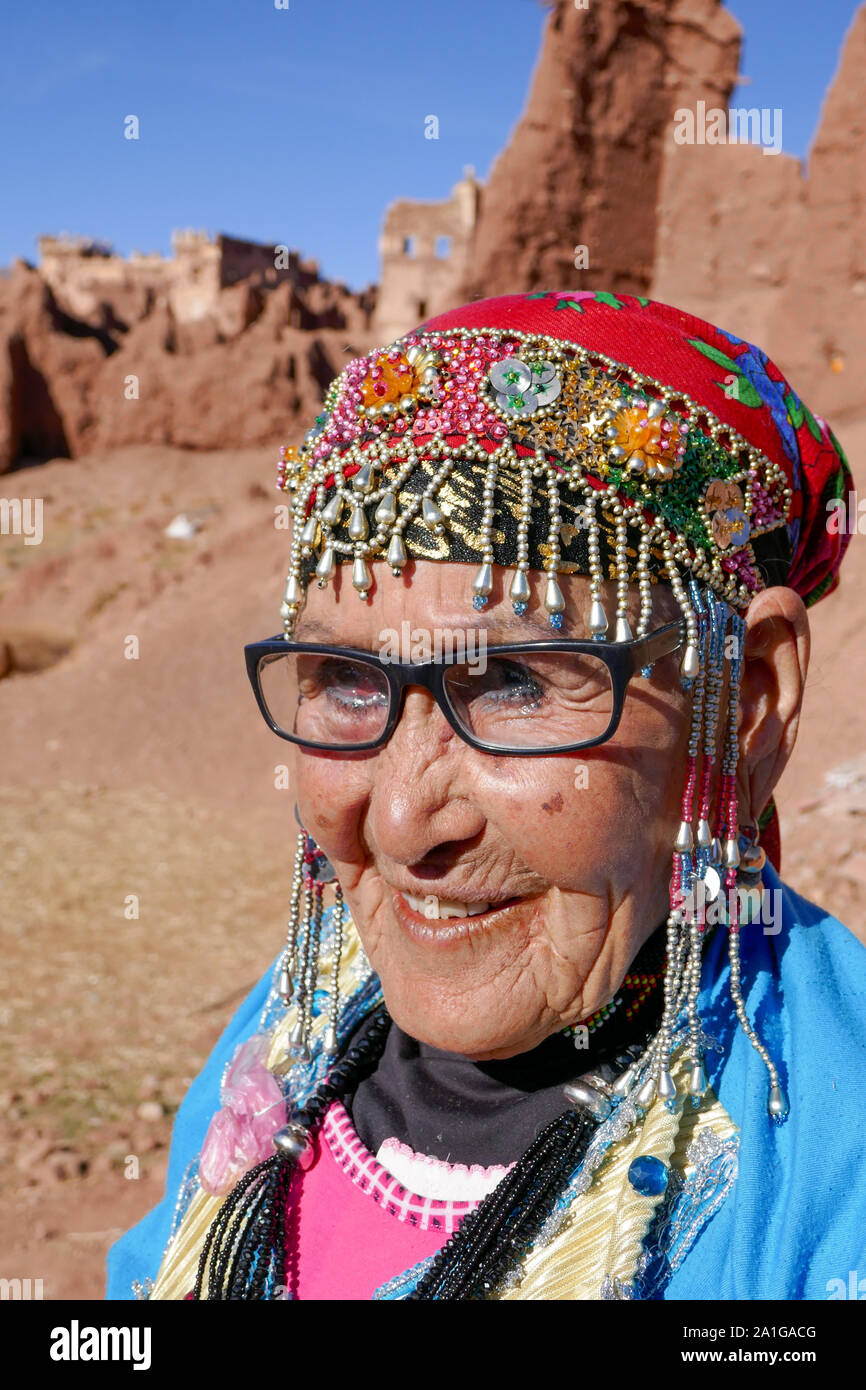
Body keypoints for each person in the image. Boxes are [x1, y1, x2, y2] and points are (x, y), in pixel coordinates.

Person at [107, 290, 866, 1301]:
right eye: (344, 678)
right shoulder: (290, 1029)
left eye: (513, 683)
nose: (399, 822)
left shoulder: (832, 1162)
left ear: (746, 707)